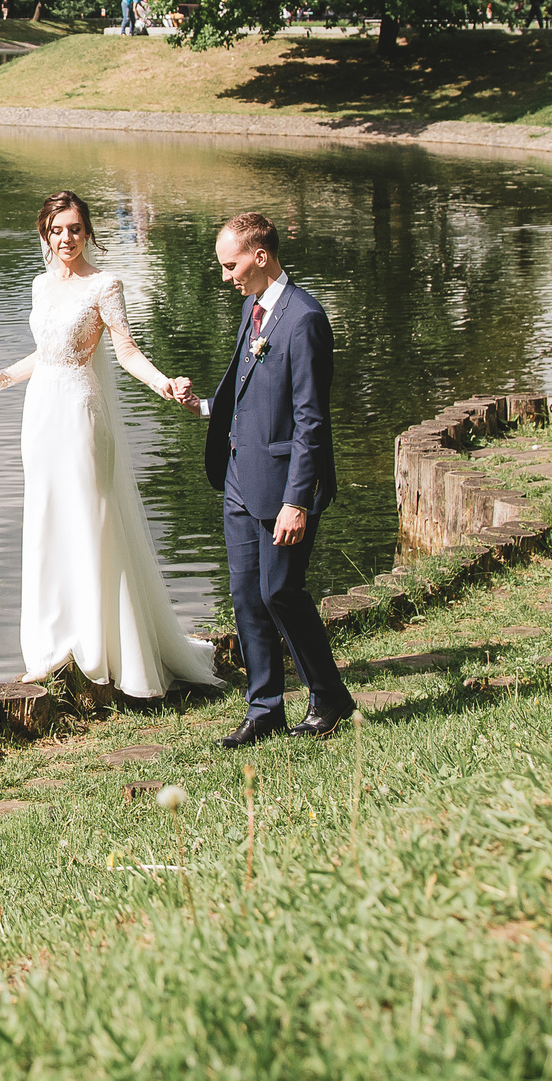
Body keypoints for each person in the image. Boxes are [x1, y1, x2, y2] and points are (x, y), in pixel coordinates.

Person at [0, 191, 218, 698]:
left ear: (88, 231)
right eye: (57, 230)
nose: (66, 239)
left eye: (75, 229)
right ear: (44, 233)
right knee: (46, 517)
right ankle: (55, 644)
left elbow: (126, 352)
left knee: (92, 519)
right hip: (40, 415)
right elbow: (43, 354)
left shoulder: (105, 285)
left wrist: (166, 384)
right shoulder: (39, 285)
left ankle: (109, 646)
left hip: (81, 413)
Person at [178, 211, 355, 745]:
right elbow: (252, 396)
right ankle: (264, 708)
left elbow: (310, 420)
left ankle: (330, 696)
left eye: (231, 265)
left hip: (283, 486)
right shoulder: (252, 309)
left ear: (260, 255)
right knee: (246, 596)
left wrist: (297, 501)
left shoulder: (303, 319)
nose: (226, 275)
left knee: (281, 591)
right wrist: (205, 407)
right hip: (239, 478)